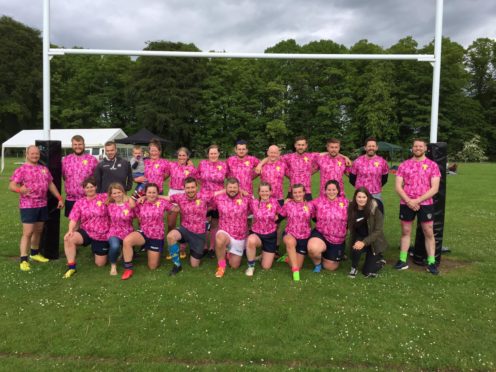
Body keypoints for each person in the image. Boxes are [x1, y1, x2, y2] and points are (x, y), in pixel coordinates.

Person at [9, 145, 64, 271]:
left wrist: (59, 198)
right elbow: (11, 185)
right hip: (28, 205)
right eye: (32, 153)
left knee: (39, 230)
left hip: (42, 204)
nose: (35, 156)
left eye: (37, 154)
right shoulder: (22, 169)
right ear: (27, 154)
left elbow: (50, 184)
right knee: (27, 232)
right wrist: (19, 189)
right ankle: (23, 259)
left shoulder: (43, 169)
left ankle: (34, 254)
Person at [394, 139, 441, 275]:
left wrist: (417, 201)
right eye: (415, 146)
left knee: (428, 232)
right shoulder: (404, 165)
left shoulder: (432, 165)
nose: (418, 148)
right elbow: (398, 186)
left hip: (425, 203)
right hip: (406, 203)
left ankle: (431, 262)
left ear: (425, 148)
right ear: (412, 148)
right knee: (406, 231)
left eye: (420, 146)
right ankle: (402, 260)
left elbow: (435, 188)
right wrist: (409, 201)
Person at [165, 177, 222, 275]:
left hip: (198, 234)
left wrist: (239, 190)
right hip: (185, 230)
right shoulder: (179, 197)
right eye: (188, 188)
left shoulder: (204, 196)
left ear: (197, 187)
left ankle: (193, 249)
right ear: (184, 188)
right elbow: (166, 198)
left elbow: (219, 193)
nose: (190, 190)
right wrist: (148, 196)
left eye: (192, 187)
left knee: (194, 265)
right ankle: (177, 264)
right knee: (170, 236)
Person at [121, 183, 176, 280]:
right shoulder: (141, 202)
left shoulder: (163, 202)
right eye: (149, 192)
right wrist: (136, 197)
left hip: (157, 236)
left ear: (157, 193)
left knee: (153, 267)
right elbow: (131, 205)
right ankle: (128, 268)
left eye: (154, 192)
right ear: (145, 193)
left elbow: (176, 209)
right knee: (127, 241)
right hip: (144, 232)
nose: (152, 195)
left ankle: (152, 250)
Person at [62, 177, 110, 278]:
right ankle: (71, 267)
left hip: (102, 234)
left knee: (100, 264)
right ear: (84, 189)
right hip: (87, 231)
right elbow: (73, 219)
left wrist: (141, 197)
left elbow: (120, 198)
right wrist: (70, 230)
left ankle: (102, 248)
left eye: (91, 187)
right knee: (68, 239)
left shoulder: (104, 197)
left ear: (96, 187)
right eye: (87, 187)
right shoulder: (80, 202)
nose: (89, 189)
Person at [212, 177, 251, 278]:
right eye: (230, 187)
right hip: (225, 232)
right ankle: (221, 265)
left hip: (239, 236)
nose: (232, 190)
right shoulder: (219, 198)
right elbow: (205, 197)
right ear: (226, 188)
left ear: (239, 188)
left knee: (234, 265)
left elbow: (259, 203)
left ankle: (228, 252)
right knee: (220, 239)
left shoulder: (246, 199)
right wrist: (221, 191)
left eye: (235, 187)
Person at [308, 180, 348, 273]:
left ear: (338, 190)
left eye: (334, 189)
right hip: (321, 233)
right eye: (329, 190)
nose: (331, 192)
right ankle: (317, 264)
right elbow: (306, 205)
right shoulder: (319, 201)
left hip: (337, 238)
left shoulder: (345, 203)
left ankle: (328, 254)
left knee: (330, 267)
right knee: (313, 248)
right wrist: (292, 200)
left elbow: (358, 206)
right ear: (325, 191)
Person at [347, 187, 388, 278]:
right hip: (359, 236)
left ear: (368, 198)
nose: (361, 199)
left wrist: (364, 242)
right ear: (355, 197)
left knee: (367, 271)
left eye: (364, 197)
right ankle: (354, 267)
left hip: (373, 240)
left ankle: (380, 261)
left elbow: (378, 231)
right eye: (359, 197)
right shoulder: (351, 208)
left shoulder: (375, 208)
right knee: (356, 247)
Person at [279, 184, 315, 281]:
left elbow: (316, 219)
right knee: (290, 243)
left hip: (304, 237)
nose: (297, 194)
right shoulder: (288, 204)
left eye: (300, 192)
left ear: (304, 193)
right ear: (292, 194)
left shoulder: (310, 205)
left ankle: (287, 258)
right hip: (290, 234)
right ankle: (295, 272)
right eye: (295, 192)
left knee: (299, 265)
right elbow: (279, 217)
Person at [197, 145, 228, 256]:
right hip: (204, 198)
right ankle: (204, 246)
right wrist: (205, 188)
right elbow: (197, 176)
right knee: (204, 222)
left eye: (215, 153)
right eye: (211, 153)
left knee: (215, 223)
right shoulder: (202, 164)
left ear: (218, 154)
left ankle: (212, 247)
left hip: (218, 198)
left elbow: (230, 180)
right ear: (208, 154)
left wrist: (221, 191)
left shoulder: (224, 165)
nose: (213, 155)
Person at [245, 182, 281, 276]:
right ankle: (251, 266)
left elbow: (281, 214)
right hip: (257, 234)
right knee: (251, 240)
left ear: (270, 192)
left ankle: (262, 256)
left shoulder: (275, 202)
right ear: (259, 192)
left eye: (266, 191)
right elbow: (244, 197)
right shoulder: (254, 202)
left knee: (266, 267)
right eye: (262, 191)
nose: (264, 193)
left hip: (270, 236)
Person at [167, 147, 197, 259]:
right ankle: (171, 247)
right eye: (180, 155)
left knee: (185, 222)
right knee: (171, 223)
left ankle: (182, 248)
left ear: (187, 156)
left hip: (186, 194)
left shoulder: (191, 168)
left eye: (184, 155)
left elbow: (196, 181)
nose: (181, 157)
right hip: (173, 193)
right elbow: (163, 175)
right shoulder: (171, 165)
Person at [62, 135, 99, 217]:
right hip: (71, 199)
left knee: (87, 224)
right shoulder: (66, 160)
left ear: (84, 145)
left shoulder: (92, 160)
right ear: (72, 145)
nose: (77, 146)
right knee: (73, 225)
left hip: (88, 198)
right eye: (75, 144)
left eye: (80, 144)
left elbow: (96, 179)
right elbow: (64, 177)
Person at [349, 137, 389, 210]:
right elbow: (352, 178)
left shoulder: (382, 162)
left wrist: (376, 186)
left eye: (373, 146)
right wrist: (360, 188)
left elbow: (385, 178)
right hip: (360, 195)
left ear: (376, 147)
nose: (371, 148)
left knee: (376, 217)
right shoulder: (357, 161)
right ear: (365, 148)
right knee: (359, 217)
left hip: (376, 194)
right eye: (369, 146)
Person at [106, 183, 136, 276]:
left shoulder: (129, 205)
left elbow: (137, 209)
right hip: (114, 231)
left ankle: (123, 254)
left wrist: (130, 199)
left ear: (123, 192)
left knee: (127, 255)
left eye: (119, 192)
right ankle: (113, 265)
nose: (117, 195)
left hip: (128, 231)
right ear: (111, 195)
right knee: (114, 246)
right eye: (114, 193)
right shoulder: (109, 206)